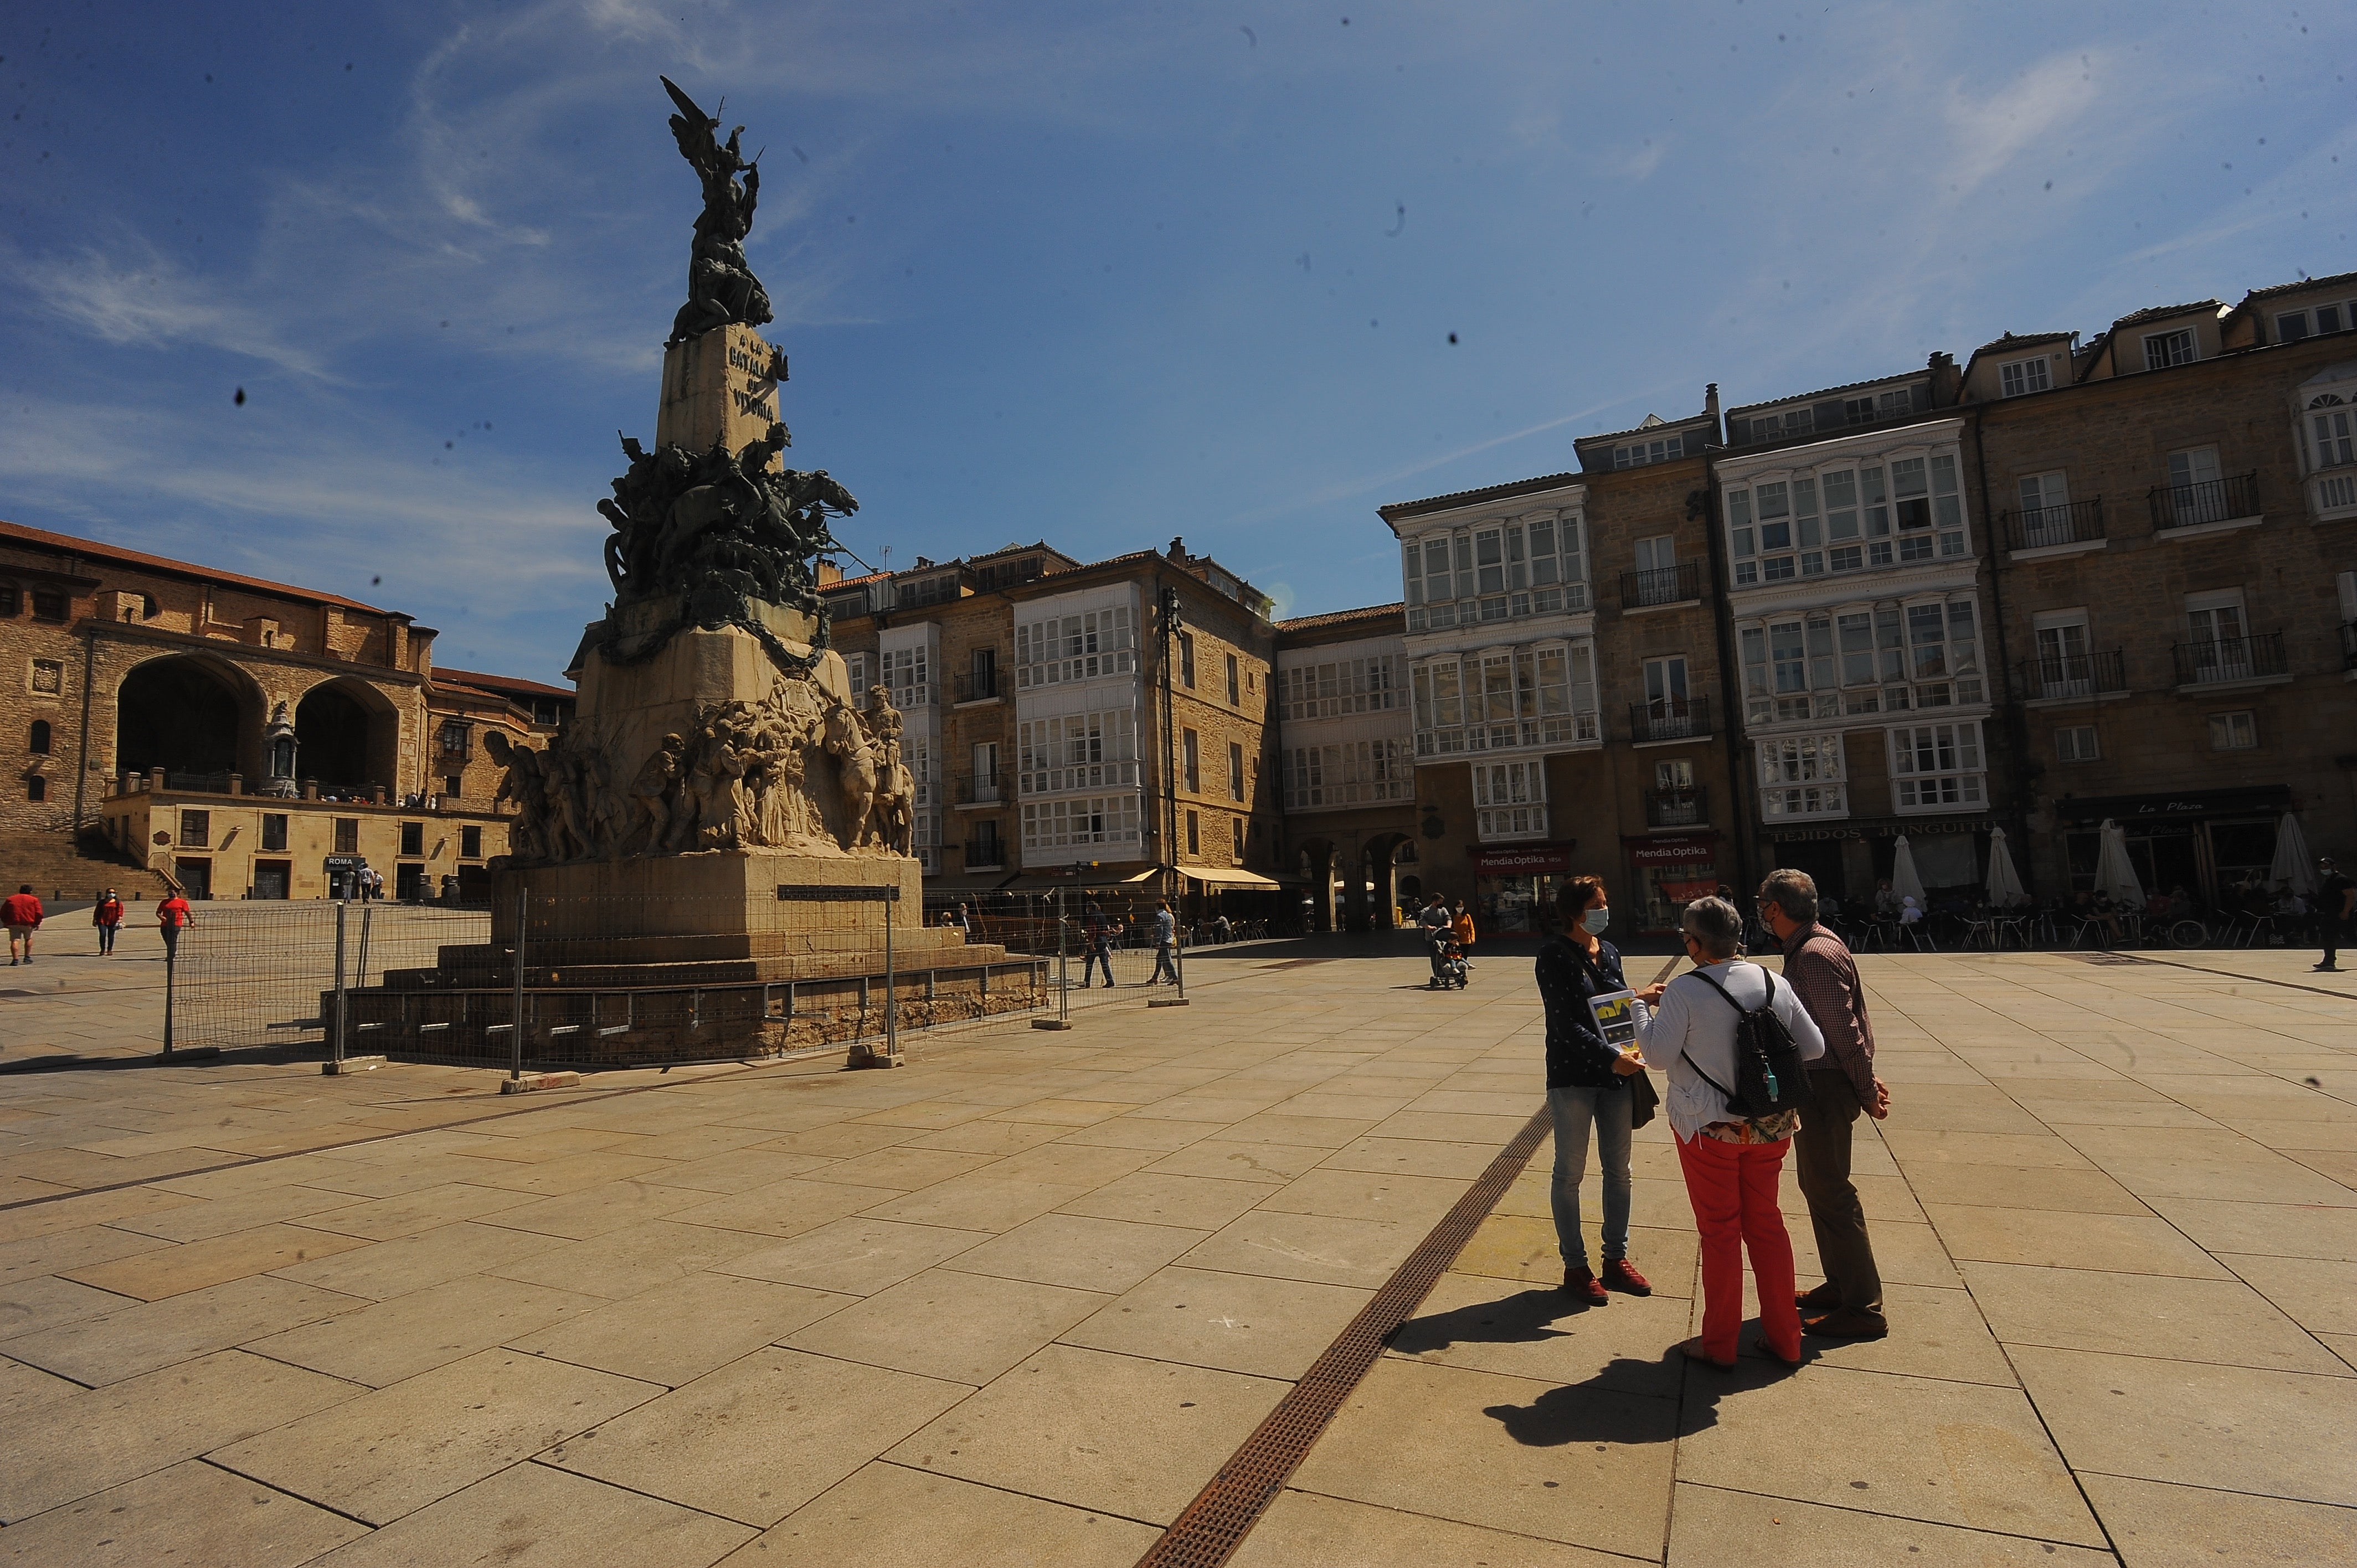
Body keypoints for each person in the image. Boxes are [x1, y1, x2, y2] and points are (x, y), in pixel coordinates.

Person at [1634, 895, 1825, 1368]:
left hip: (1709, 1127)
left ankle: (1719, 1344)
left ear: (1695, 943)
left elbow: (1657, 1057)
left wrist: (1640, 1009)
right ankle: (1786, 1338)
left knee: (1720, 1232)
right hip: (1771, 1125)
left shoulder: (1684, 990)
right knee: (1766, 1225)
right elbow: (1814, 1047)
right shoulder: (1772, 981)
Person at [1758, 869, 1890, 1340]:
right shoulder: (1815, 946)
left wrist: (1865, 1089)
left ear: (1775, 909)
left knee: (1832, 1191)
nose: (1760, 913)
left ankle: (1864, 1308)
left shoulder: (1813, 955)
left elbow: (1845, 1034)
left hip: (1827, 1086)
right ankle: (1839, 1285)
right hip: (1823, 1085)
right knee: (1818, 1186)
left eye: (1762, 904)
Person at [1533, 875, 1658, 1306]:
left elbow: (1607, 1006)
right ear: (1574, 911)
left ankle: (1615, 1259)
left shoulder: (1608, 951)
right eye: (1597, 905)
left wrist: (1639, 998)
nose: (1604, 911)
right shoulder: (1553, 954)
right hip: (1573, 1077)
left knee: (1618, 1171)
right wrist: (1610, 1057)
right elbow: (1564, 1023)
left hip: (1616, 1077)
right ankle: (1576, 1265)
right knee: (1569, 1174)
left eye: (1605, 902)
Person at [2319, 857, 2357, 972]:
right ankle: (2328, 961)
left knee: (2350, 937)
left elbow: (2350, 896)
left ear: (2333, 866)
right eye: (2322, 867)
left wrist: (2346, 912)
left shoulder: (2341, 880)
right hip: (2330, 914)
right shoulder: (2328, 880)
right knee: (2327, 936)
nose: (2323, 869)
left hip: (2341, 913)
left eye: (2326, 866)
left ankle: (2329, 961)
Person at [1416, 894, 1453, 989]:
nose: (1441, 904)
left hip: (1443, 936)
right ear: (1434, 902)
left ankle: (1447, 972)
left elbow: (1448, 918)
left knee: (1446, 954)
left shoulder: (1443, 910)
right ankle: (1437, 974)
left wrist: (1449, 926)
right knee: (1434, 957)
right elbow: (1422, 921)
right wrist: (1429, 927)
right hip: (1431, 937)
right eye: (1440, 902)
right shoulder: (1426, 911)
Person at [2, 885, 42, 966]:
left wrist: (5, 921)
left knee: (15, 940)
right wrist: (37, 923)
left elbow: (3, 911)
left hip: (14, 922)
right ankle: (27, 957)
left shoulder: (11, 899)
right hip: (28, 923)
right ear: (30, 892)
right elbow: (39, 913)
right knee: (28, 938)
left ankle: (15, 959)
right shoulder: (34, 900)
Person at [1081, 900, 1116, 988]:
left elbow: (1093, 929)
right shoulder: (1102, 915)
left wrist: (1091, 942)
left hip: (1096, 939)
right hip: (1103, 939)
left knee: (1090, 962)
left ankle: (1087, 982)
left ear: (1090, 907)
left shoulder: (1092, 915)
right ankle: (1110, 980)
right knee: (1104, 962)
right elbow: (1106, 928)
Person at [157, 888, 193, 960]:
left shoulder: (182, 902)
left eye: (172, 892)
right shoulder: (164, 902)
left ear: (177, 893)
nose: (171, 894)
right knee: (167, 939)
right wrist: (161, 917)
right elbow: (158, 912)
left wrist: (191, 922)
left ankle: (171, 955)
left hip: (176, 923)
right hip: (165, 924)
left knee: (172, 940)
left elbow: (187, 913)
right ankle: (172, 951)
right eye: (169, 892)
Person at [1150, 899, 1180, 984]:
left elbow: (1160, 930)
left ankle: (1175, 978)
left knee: (1167, 959)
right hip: (1169, 939)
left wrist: (1158, 942)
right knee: (1159, 958)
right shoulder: (1168, 915)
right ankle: (1155, 977)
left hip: (1163, 940)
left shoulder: (1160, 916)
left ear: (1158, 906)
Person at [93, 888, 125, 956]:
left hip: (113, 921)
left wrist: (120, 919)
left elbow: (120, 911)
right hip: (102, 920)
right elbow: (97, 911)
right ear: (107, 894)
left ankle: (110, 949)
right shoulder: (102, 902)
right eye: (110, 893)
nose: (111, 894)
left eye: (113, 893)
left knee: (111, 936)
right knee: (103, 935)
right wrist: (94, 919)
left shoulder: (117, 902)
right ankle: (102, 949)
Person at [1450, 896, 1476, 965]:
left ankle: (1463, 972)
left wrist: (1473, 938)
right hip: (1457, 941)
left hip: (1466, 941)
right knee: (1458, 957)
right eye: (1458, 906)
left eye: (1461, 906)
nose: (1460, 908)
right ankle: (1459, 972)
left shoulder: (1467, 916)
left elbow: (1471, 928)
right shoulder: (1453, 917)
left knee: (1464, 958)